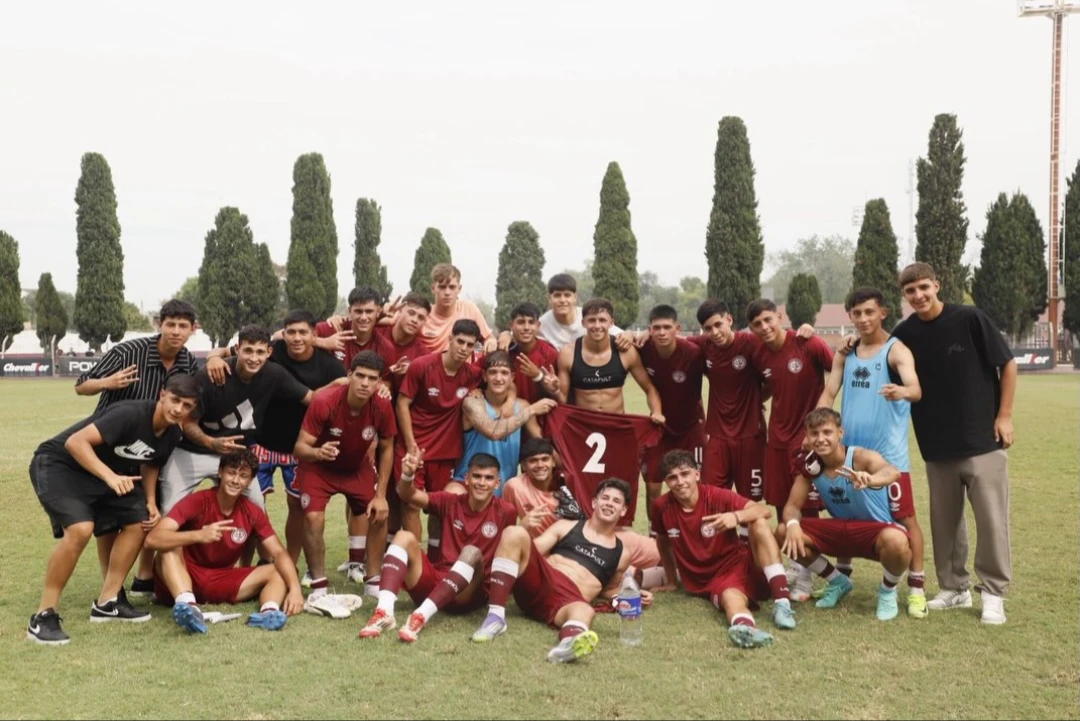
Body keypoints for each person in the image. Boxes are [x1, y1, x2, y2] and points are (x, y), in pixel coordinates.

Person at [26, 374, 201, 645]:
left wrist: (151, 501)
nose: (178, 409)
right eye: (175, 400)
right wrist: (110, 476)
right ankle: (43, 615)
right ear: (162, 394)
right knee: (81, 529)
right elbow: (75, 443)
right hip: (58, 465)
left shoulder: (173, 433)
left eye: (187, 406)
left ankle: (108, 602)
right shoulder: (130, 414)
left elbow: (150, 462)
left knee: (140, 520)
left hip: (99, 474)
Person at [890, 262, 1016, 624]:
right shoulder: (905, 334)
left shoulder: (970, 319)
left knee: (992, 522)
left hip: (983, 441)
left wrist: (1004, 416)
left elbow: (1006, 364)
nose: (919, 296)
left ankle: (992, 592)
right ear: (904, 295)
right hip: (936, 444)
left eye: (924, 288)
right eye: (911, 291)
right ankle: (953, 588)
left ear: (937, 285)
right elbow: (879, 353)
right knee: (945, 523)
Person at [72, 299, 225, 596]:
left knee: (146, 512)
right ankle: (111, 588)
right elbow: (81, 385)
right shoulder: (129, 351)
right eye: (171, 324)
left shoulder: (187, 363)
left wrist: (218, 355)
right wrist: (108, 382)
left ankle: (143, 578)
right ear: (159, 324)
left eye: (183, 326)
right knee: (108, 520)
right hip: (112, 445)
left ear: (193, 330)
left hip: (152, 447)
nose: (176, 332)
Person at [816, 287, 928, 618]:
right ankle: (841, 579)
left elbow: (917, 389)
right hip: (848, 455)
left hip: (889, 458)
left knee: (906, 520)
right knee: (845, 515)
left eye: (869, 312)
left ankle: (916, 589)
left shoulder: (896, 351)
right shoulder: (845, 353)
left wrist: (902, 391)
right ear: (849, 316)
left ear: (882, 313)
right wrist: (814, 425)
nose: (863, 318)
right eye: (857, 313)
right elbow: (829, 390)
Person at [469, 478, 646, 663]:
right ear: (595, 502)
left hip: (567, 601)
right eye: (605, 498)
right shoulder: (566, 526)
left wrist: (634, 594)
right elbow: (529, 552)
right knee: (515, 533)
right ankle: (495, 617)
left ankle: (567, 645)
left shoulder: (622, 553)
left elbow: (609, 589)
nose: (609, 503)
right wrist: (522, 531)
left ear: (624, 510)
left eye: (616, 501)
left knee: (585, 610)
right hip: (540, 582)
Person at [356, 452, 517, 641]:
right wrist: (408, 475)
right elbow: (408, 494)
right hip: (438, 581)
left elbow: (508, 552)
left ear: (497, 483)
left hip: (469, 592)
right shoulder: (450, 501)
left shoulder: (506, 511)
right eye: (477, 476)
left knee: (471, 552)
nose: (482, 483)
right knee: (403, 537)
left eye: (489, 478)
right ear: (466, 478)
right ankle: (384, 611)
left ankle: (421, 616)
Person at [158, 325, 314, 514]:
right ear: (238, 348)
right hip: (191, 450)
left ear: (269, 352)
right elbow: (187, 422)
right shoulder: (212, 374)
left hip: (234, 454)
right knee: (169, 511)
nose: (254, 358)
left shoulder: (274, 374)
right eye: (248, 350)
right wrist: (211, 442)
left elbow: (311, 398)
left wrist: (342, 388)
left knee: (256, 511)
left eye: (259, 352)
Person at [145, 449, 304, 634]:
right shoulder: (197, 500)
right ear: (220, 472)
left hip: (221, 579)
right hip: (182, 576)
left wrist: (295, 589)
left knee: (278, 569)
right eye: (231, 472)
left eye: (243, 476)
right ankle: (188, 606)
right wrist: (198, 535)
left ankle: (268, 612)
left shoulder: (252, 512)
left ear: (250, 481)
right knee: (169, 546)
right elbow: (153, 539)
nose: (236, 480)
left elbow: (278, 553)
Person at [775, 409, 912, 621]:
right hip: (842, 530)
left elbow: (892, 472)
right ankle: (838, 581)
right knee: (784, 531)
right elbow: (792, 505)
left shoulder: (859, 457)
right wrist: (793, 522)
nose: (820, 439)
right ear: (808, 437)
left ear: (840, 433)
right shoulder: (811, 465)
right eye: (814, 433)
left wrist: (870, 480)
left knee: (898, 540)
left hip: (875, 533)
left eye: (827, 432)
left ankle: (887, 591)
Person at [650, 450, 795, 648]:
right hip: (711, 579)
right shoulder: (661, 506)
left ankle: (782, 602)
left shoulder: (715, 495)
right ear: (666, 482)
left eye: (685, 474)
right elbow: (662, 541)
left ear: (697, 474)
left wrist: (734, 517)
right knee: (729, 596)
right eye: (672, 477)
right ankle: (745, 630)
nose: (680, 481)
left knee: (758, 522)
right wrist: (671, 580)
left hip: (741, 563)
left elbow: (763, 510)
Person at [292, 351, 396, 616]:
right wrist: (318, 452)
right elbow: (300, 447)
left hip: (355, 467)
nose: (364, 383)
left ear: (378, 383)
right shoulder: (325, 402)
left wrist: (381, 494)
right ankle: (318, 584)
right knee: (313, 518)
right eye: (359, 375)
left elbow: (387, 447)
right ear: (349, 376)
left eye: (371, 378)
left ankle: (372, 579)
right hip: (318, 467)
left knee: (379, 513)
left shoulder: (382, 405)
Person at [746, 298, 833, 601]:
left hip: (806, 442)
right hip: (776, 442)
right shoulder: (759, 353)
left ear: (780, 316)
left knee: (807, 511)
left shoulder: (807, 342)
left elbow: (839, 371)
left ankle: (808, 577)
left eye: (769, 320)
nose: (765, 327)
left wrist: (821, 419)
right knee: (783, 509)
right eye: (757, 324)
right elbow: (769, 384)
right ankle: (797, 569)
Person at [246, 310, 346, 570]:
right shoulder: (272, 352)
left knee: (297, 507)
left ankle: (289, 562)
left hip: (301, 449)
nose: (297, 338)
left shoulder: (330, 366)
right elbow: (233, 353)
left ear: (315, 334)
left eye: (303, 332)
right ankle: (263, 558)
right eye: (291, 332)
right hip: (262, 442)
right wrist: (213, 357)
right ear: (283, 334)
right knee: (251, 504)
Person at [502, 438, 667, 588]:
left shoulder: (569, 480)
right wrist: (523, 527)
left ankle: (678, 569)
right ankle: (665, 576)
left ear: (553, 461)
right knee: (629, 575)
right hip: (561, 551)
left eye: (545, 459)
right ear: (523, 466)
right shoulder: (515, 487)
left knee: (660, 551)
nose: (540, 465)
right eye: (533, 461)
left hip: (597, 534)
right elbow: (507, 535)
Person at [396, 319, 484, 554]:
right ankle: (414, 560)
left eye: (470, 345)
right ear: (450, 339)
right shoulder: (422, 366)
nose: (464, 348)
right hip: (415, 448)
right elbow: (403, 403)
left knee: (440, 509)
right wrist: (410, 443)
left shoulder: (472, 375)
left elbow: (502, 380)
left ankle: (436, 560)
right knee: (411, 503)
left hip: (446, 452)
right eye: (460, 341)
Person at [635, 305, 706, 511]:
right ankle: (654, 535)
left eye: (667, 327)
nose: (662, 332)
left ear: (678, 328)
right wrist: (630, 333)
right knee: (652, 485)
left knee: (697, 483)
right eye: (656, 328)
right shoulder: (642, 348)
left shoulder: (693, 353)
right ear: (649, 329)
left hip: (692, 428)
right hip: (659, 427)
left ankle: (696, 531)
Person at [453, 351, 554, 494]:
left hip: (502, 488)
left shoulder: (522, 406)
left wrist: (567, 463)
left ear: (512, 377)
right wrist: (531, 411)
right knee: (451, 493)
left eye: (504, 373)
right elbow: (492, 432)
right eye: (493, 372)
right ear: (484, 376)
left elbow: (541, 442)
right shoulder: (473, 402)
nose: (498, 378)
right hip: (469, 486)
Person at [554, 298, 662, 419]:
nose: (597, 325)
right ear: (583, 323)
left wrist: (656, 412)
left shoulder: (626, 351)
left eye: (602, 320)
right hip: (583, 427)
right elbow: (562, 400)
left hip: (616, 425)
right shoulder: (568, 353)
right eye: (591, 320)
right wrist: (553, 390)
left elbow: (649, 388)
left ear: (611, 323)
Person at [312, 286, 398, 376]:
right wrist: (323, 342)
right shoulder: (334, 327)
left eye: (369, 311)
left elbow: (387, 382)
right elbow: (299, 335)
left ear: (378, 312)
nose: (364, 317)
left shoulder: (386, 348)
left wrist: (384, 386)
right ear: (350, 311)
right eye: (358, 311)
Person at [417, 263, 497, 354]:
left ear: (459, 289)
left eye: (452, 287)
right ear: (433, 288)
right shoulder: (423, 315)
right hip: (429, 366)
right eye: (442, 287)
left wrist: (491, 342)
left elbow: (489, 338)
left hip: (463, 367)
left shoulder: (469, 309)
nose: (447, 292)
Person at [537, 273, 623, 349]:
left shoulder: (589, 317)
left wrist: (628, 335)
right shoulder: (541, 324)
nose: (562, 300)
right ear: (549, 298)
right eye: (557, 295)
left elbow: (620, 334)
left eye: (567, 295)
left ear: (575, 297)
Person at [504, 301, 560, 403]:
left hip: (543, 412)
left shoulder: (550, 353)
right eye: (521, 322)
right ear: (511, 325)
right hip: (512, 412)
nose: (526, 327)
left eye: (531, 322)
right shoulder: (506, 351)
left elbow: (556, 394)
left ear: (538, 325)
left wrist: (538, 376)